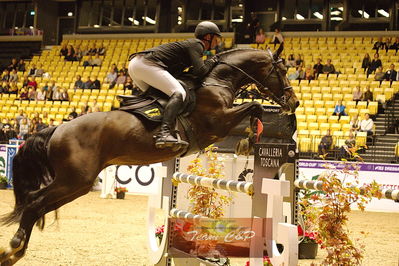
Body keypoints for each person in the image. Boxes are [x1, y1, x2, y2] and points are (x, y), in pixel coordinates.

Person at [128, 21, 221, 148]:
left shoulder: (190, 47)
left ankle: (149, 129)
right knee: (179, 93)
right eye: (216, 39)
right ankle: (164, 133)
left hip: (136, 65)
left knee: (159, 99)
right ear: (208, 37)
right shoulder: (197, 44)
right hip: (147, 64)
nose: (218, 43)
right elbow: (200, 71)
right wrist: (212, 61)